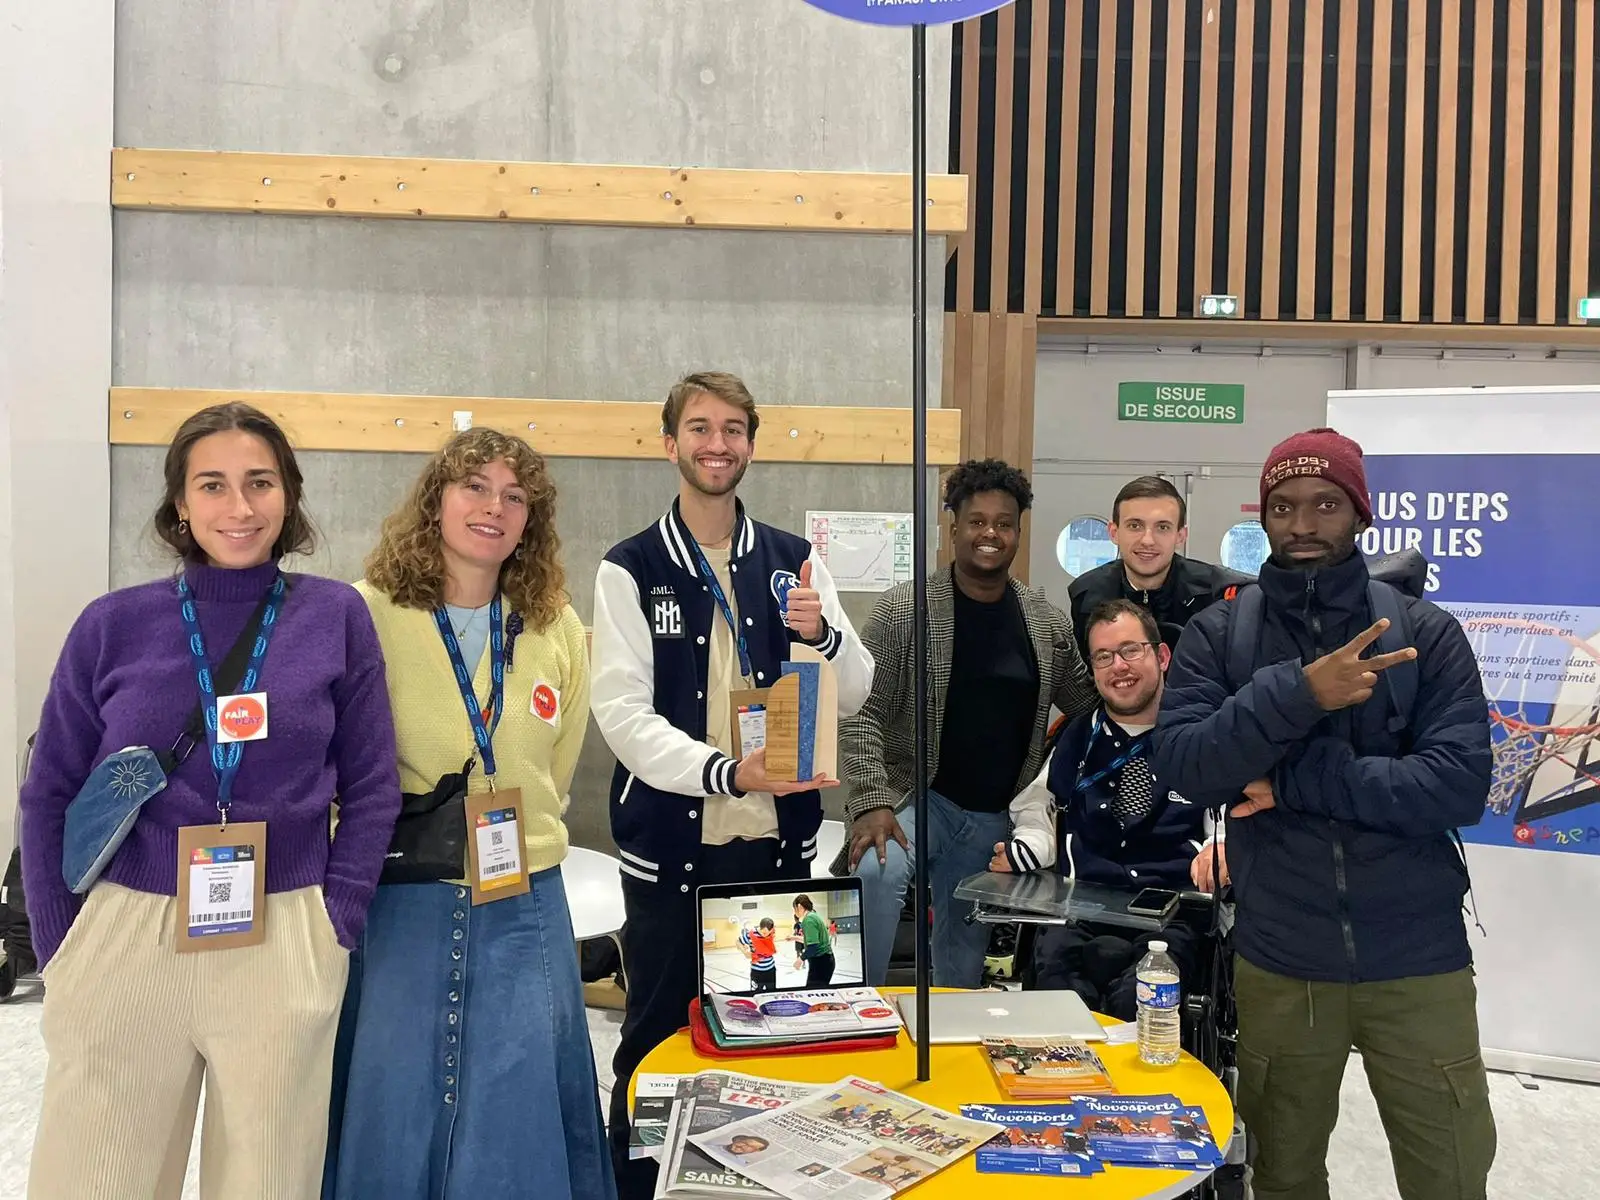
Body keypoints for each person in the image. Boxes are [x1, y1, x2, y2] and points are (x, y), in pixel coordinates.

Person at [19, 402, 399, 1199]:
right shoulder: (112, 625)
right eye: (213, 485)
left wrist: (336, 917)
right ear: (180, 504)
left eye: (260, 482)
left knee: (268, 1180)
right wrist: (61, 942)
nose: (239, 507)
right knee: (95, 1179)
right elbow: (50, 787)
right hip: (128, 932)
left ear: (288, 495)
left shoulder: (335, 616)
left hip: (283, 928)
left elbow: (371, 783)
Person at [1152, 427, 1496, 1200]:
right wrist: (1301, 693)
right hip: (1282, 957)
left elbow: (1457, 787)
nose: (1303, 523)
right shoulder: (1220, 634)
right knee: (1282, 1175)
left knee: (1449, 1175)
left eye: (1325, 504)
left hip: (1418, 960)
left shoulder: (1425, 636)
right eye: (1283, 506)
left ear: (1361, 514)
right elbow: (1185, 765)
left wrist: (1295, 781)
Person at [590, 371, 873, 1197]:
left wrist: (824, 637)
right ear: (669, 442)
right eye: (701, 428)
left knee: (776, 1045)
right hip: (673, 856)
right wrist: (725, 772)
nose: (718, 444)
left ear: (751, 443)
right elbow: (622, 715)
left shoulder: (792, 560)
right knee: (656, 1048)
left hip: (776, 855)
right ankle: (638, 1187)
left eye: (734, 430)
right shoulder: (630, 567)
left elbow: (856, 691)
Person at [326, 428, 611, 1198]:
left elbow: (557, 763)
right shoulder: (366, 613)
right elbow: (340, 758)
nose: (494, 508)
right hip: (403, 894)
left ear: (531, 521)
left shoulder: (553, 623)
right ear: (437, 500)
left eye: (515, 497)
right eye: (475, 487)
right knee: (395, 1090)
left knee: (515, 1096)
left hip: (524, 899)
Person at [838, 458, 1096, 986]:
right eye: (977, 521)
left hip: (993, 819)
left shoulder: (1044, 620)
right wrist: (871, 801)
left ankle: (949, 1034)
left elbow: (1088, 703)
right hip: (918, 800)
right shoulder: (904, 610)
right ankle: (856, 1007)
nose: (990, 534)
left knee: (959, 974)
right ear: (954, 527)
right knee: (875, 870)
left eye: (1004, 524)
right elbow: (862, 711)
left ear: (1018, 532)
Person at [993, 599, 1214, 1019]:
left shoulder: (1200, 737)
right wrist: (1033, 844)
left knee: (1140, 1002)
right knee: (1057, 1004)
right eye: (1104, 657)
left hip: (1172, 914)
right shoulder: (1077, 737)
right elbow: (1039, 802)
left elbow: (1227, 816)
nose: (1119, 667)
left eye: (1131, 650)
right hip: (1080, 909)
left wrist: (1217, 850)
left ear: (1162, 656)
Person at [1068, 475, 1251, 658]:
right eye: (1135, 526)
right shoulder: (1087, 596)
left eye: (1162, 527)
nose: (1147, 540)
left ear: (1180, 536)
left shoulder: (1215, 594)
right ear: (1114, 532)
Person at [791, 893, 835, 985]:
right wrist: (794, 937)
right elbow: (813, 940)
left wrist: (800, 959)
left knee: (812, 990)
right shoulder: (813, 915)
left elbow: (813, 947)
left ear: (799, 906)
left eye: (794, 908)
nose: (794, 912)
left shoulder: (808, 920)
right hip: (825, 961)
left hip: (820, 963)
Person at [739, 917, 779, 992]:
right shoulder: (750, 934)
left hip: (770, 970)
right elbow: (737, 941)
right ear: (760, 927)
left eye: (767, 933)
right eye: (763, 932)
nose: (765, 935)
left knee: (771, 992)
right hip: (756, 971)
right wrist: (745, 952)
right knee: (755, 993)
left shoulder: (772, 933)